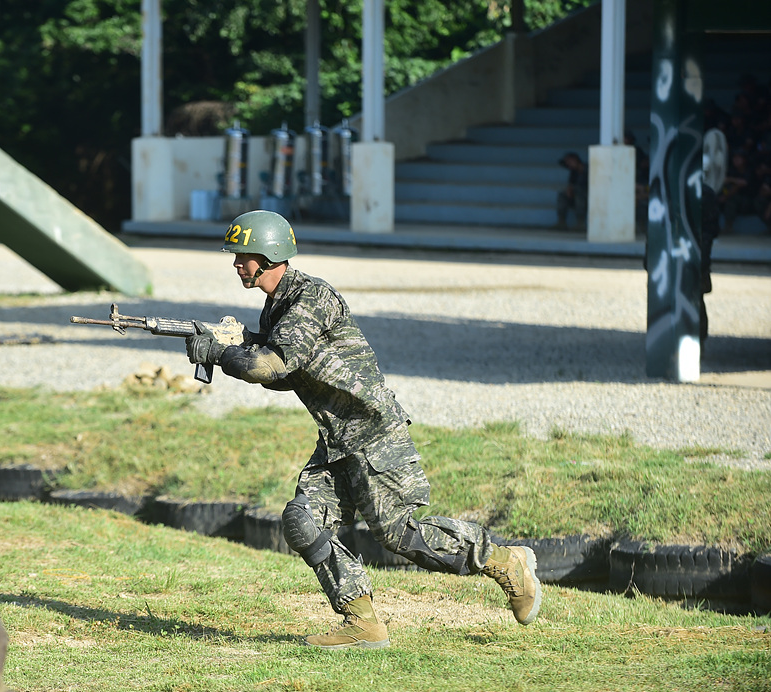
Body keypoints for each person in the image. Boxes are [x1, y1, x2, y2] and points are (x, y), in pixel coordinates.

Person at [184, 210, 541, 649]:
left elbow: (271, 365)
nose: (237, 265)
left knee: (400, 535)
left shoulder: (310, 299)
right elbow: (284, 377)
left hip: (373, 433)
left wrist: (221, 353)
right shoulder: (277, 306)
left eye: (243, 256)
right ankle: (362, 621)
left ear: (270, 254)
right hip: (336, 438)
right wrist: (231, 347)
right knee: (302, 520)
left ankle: (505, 562)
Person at [556, 151, 588, 231]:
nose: (568, 165)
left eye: (569, 162)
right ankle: (561, 222)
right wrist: (569, 190)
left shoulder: (588, 169)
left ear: (575, 159)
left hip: (588, 197)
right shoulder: (573, 172)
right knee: (562, 195)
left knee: (579, 192)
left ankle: (581, 223)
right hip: (577, 197)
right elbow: (570, 185)